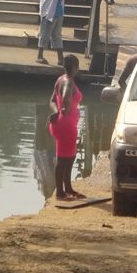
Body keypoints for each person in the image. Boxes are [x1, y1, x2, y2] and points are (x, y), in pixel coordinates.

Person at [48, 54, 84, 201]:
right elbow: (65, 97)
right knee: (63, 159)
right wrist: (66, 107)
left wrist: (56, 111)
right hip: (66, 125)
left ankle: (68, 188)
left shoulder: (60, 79)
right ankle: (60, 193)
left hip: (60, 123)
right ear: (76, 67)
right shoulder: (68, 82)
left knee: (70, 156)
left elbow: (51, 101)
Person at [37, 0, 74, 65]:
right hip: (49, 9)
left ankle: (60, 59)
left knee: (57, 35)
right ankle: (39, 56)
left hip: (58, 10)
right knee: (45, 33)